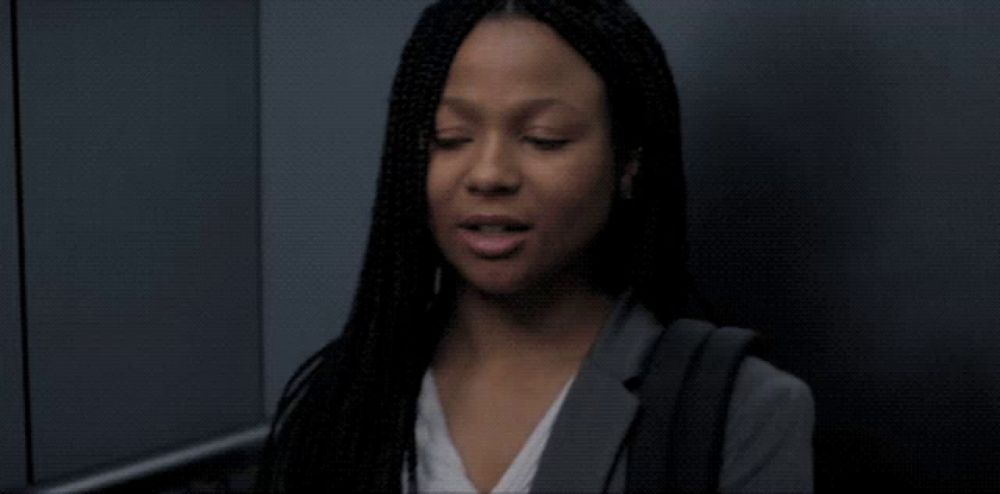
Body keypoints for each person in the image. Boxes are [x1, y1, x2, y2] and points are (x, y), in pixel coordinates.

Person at [256, 0, 814, 492]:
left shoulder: (735, 411)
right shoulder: (345, 400)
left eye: (543, 139)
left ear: (628, 163)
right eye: (451, 139)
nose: (489, 174)